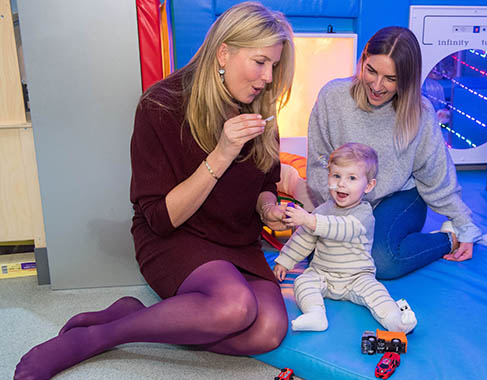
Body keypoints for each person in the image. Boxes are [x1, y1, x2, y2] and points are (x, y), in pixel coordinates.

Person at [14, 3, 295, 379]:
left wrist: (268, 209)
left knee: (269, 332)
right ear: (224, 52)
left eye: (274, 66)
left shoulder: (260, 109)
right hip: (175, 237)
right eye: (261, 62)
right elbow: (163, 219)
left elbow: (265, 184)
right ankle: (100, 337)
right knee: (234, 308)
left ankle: (142, 317)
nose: (267, 77)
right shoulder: (162, 105)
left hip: (236, 241)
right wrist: (223, 153)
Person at [306, 26, 486, 280]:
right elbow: (318, 163)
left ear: (407, 78)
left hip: (401, 194)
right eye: (371, 71)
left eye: (391, 78)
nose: (377, 86)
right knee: (321, 258)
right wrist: (343, 210)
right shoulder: (333, 97)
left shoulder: (420, 112)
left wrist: (464, 225)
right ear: (363, 61)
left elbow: (436, 176)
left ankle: (448, 239)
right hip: (346, 198)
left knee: (382, 261)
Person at [273, 143, 417, 333]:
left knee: (377, 293)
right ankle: (315, 314)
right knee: (302, 283)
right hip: (323, 273)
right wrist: (284, 261)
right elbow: (304, 238)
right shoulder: (322, 210)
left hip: (356, 276)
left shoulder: (363, 214)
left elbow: (342, 229)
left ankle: (396, 321)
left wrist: (309, 219)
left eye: (352, 178)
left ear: (369, 185)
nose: (342, 184)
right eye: (336, 176)